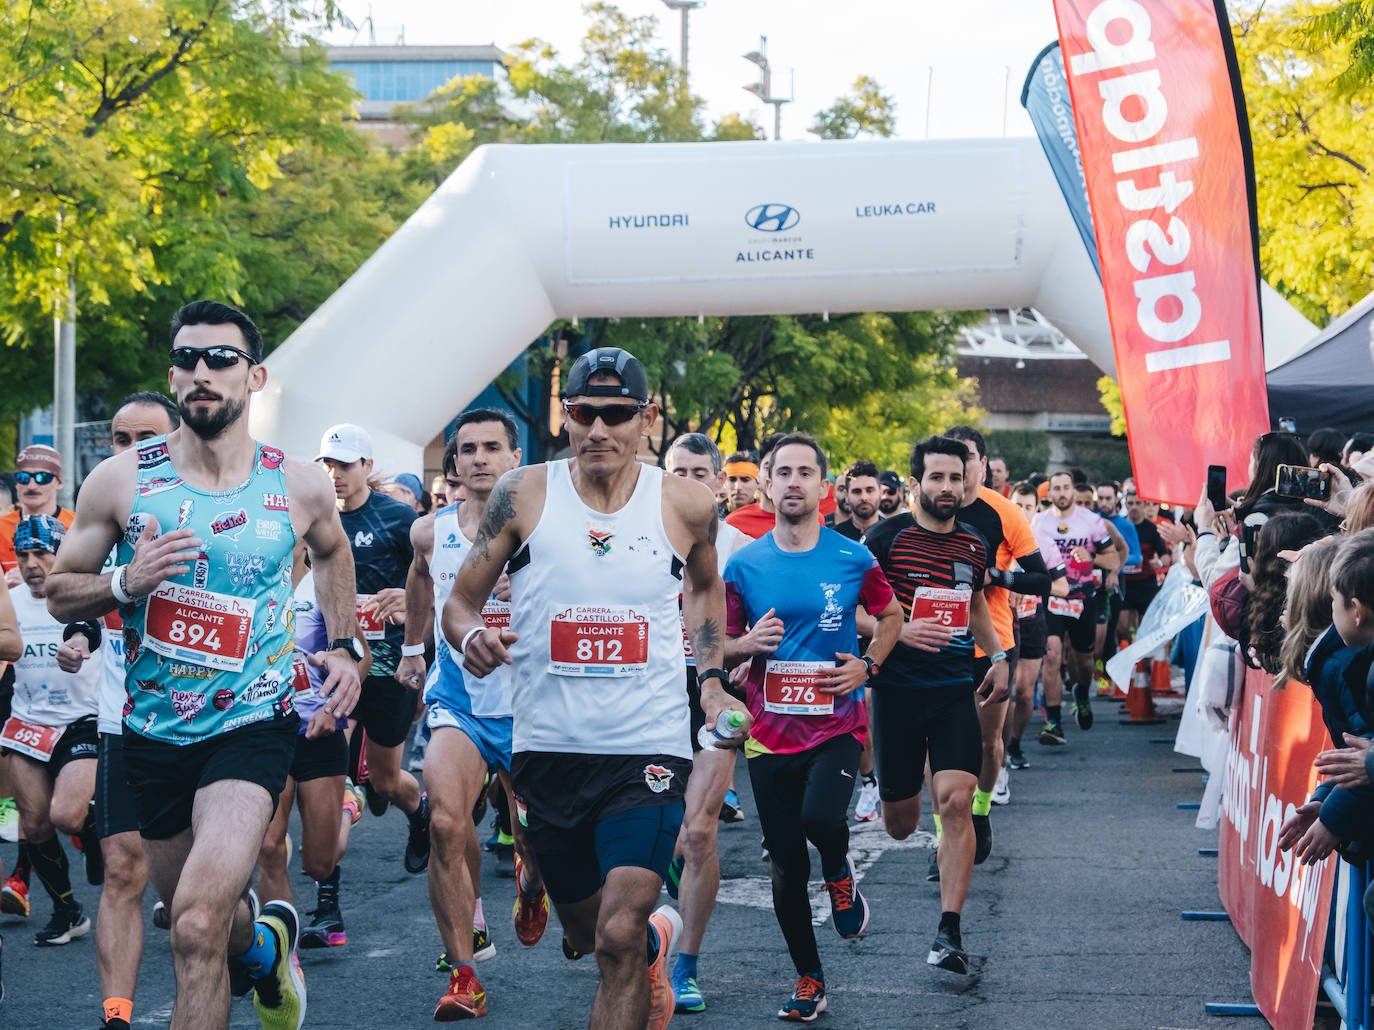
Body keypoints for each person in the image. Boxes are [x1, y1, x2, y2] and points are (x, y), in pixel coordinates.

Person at [45, 299, 365, 1030]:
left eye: (220, 359)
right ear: (173, 374)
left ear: (254, 377)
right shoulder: (122, 481)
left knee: (189, 928)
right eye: (187, 359)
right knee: (212, 927)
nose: (201, 372)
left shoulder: (299, 482)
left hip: (251, 725)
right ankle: (265, 947)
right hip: (153, 734)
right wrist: (127, 581)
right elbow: (62, 590)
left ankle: (247, 945)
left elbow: (333, 553)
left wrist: (346, 645)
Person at [443, 346, 745, 1030]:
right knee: (586, 936)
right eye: (585, 413)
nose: (599, 430)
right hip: (548, 752)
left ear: (648, 419)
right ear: (566, 416)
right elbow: (460, 602)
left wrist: (713, 683)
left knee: (615, 935)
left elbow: (702, 587)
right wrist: (470, 639)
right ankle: (654, 947)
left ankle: (641, 941)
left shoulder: (688, 503)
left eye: (616, 414)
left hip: (647, 750)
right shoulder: (523, 493)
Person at [723, 433, 900, 1022]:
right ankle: (809, 978)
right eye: (783, 472)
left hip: (835, 723)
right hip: (766, 732)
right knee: (783, 866)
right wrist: (745, 645)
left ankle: (839, 870)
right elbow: (716, 644)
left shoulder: (852, 557)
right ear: (767, 485)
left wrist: (868, 664)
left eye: (806, 472)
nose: (793, 481)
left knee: (821, 820)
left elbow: (891, 613)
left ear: (825, 489)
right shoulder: (743, 564)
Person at [398, 407, 550, 1019]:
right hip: (459, 698)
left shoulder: (546, 528)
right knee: (444, 824)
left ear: (516, 457)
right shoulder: (430, 532)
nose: (480, 458)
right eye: (468, 449)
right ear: (454, 462)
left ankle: (532, 879)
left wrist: (535, 591)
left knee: (539, 833)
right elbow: (418, 582)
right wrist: (412, 650)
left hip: (534, 706)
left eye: (493, 447)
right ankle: (464, 974)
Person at [860, 436, 1009, 976]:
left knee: (956, 800)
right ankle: (895, 798)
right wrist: (896, 629)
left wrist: (998, 654)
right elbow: (852, 607)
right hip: (897, 694)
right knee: (900, 823)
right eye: (937, 478)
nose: (948, 488)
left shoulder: (974, 541)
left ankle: (949, 929)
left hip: (952, 689)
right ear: (917, 481)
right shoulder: (885, 538)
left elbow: (974, 607)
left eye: (956, 478)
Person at [92, 392, 180, 1030]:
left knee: (193, 896)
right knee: (123, 864)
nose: (132, 452)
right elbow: (69, 589)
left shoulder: (214, 503)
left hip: (214, 720)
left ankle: (253, 950)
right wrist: (79, 631)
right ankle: (117, 1015)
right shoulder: (102, 503)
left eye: (146, 438)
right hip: (125, 715)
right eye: (121, 439)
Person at [315, 423, 431, 872]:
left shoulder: (398, 519)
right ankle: (328, 897)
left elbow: (433, 587)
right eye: (328, 464)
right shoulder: (315, 518)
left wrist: (410, 605)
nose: (335, 473)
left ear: (366, 466)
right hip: (337, 663)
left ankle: (418, 811)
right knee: (330, 773)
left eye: (344, 464)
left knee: (385, 782)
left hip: (388, 669)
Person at [661, 431, 749, 1014]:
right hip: (647, 699)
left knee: (699, 832)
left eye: (699, 474)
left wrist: (734, 657)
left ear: (719, 482)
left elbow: (771, 629)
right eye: (678, 473)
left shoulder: (743, 548)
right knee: (659, 831)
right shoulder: (639, 534)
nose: (688, 484)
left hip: (711, 696)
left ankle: (686, 963)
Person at [255, 547, 370, 953]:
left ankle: (346, 808)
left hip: (318, 731)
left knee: (318, 863)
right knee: (268, 846)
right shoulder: (247, 585)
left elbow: (363, 657)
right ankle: (280, 956)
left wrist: (331, 707)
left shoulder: (321, 585)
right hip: (265, 732)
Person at [942, 426, 1052, 838]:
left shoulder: (1004, 511)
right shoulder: (929, 509)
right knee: (941, 744)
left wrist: (995, 575)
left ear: (983, 465)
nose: (959, 466)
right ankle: (944, 833)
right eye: (951, 457)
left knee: (987, 743)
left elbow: (1041, 580)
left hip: (993, 645)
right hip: (937, 644)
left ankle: (982, 809)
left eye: (967, 457)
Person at [5, 515, 101, 949]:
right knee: (36, 823)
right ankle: (67, 911)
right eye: (23, 554)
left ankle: (95, 832)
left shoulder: (84, 593)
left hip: (83, 719)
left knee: (67, 814)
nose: (31, 564)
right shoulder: (10, 602)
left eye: (42, 552)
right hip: (28, 722)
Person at [1031, 471, 1121, 744]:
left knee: (1084, 661)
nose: (1061, 493)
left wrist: (1091, 557)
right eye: (1056, 488)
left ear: (1074, 491)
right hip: (1052, 598)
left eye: (1066, 487)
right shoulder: (1038, 523)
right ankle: (1053, 722)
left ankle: (1082, 692)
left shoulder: (1091, 522)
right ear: (1049, 494)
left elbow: (1114, 560)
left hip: (1083, 598)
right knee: (1052, 654)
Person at [1005, 483, 1068, 771]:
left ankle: (1015, 743)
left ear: (1036, 509)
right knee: (1002, 691)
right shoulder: (996, 536)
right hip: (1001, 620)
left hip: (1032, 620)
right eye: (1017, 505)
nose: (1021, 511)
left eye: (1028, 506)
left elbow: (1063, 587)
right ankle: (997, 748)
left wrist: (1026, 586)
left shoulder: (1041, 539)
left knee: (1024, 692)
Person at [1, 446, 77, 584]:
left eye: (42, 478)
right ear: (16, 483)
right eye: (23, 477)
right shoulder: (1, 528)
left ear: (59, 481)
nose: (31, 486)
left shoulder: (78, 525)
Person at [833, 461, 881, 542]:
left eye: (870, 490)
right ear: (846, 496)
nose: (864, 497)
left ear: (880, 492)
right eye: (857, 491)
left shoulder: (893, 535)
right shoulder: (836, 537)